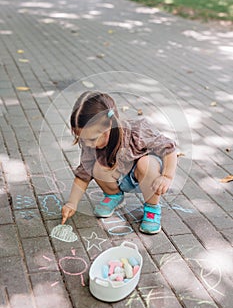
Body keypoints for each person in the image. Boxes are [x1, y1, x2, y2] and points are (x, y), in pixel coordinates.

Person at [61, 91, 177, 234]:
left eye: (92, 139)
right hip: (119, 178)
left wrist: (166, 176)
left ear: (110, 125)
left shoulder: (137, 131)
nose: (88, 144)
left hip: (147, 177)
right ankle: (114, 195)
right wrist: (72, 203)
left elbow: (169, 149)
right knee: (95, 166)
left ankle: (152, 208)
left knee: (145, 163)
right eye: (83, 139)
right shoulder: (90, 143)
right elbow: (83, 173)